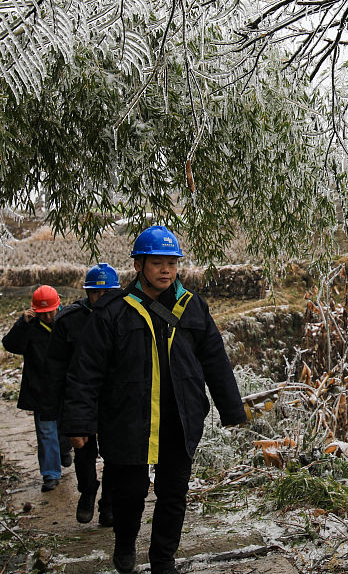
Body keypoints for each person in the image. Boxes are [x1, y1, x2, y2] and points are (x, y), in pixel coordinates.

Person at [62, 226, 246, 574]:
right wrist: (79, 422)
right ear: (138, 265)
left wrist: (231, 409)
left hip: (180, 418)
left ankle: (163, 560)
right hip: (128, 420)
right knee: (128, 493)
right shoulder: (114, 311)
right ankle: (125, 542)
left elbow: (215, 360)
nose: (166, 270)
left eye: (172, 263)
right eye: (158, 263)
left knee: (173, 494)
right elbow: (86, 371)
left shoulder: (193, 307)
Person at [44, 263, 121, 526]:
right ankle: (87, 491)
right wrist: (57, 410)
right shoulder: (68, 320)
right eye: (96, 293)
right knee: (84, 450)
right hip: (78, 397)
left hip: (113, 398)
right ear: (87, 293)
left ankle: (108, 504)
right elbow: (54, 368)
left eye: (108, 293)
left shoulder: (124, 317)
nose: (102, 299)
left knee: (115, 454)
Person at [2, 284, 64, 492]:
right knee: (46, 433)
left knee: (65, 431)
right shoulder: (29, 328)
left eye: (50, 312)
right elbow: (11, 345)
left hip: (66, 389)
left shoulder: (68, 323)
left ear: (59, 306)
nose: (47, 317)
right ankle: (51, 475)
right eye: (43, 313)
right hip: (41, 390)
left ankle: (64, 452)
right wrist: (22, 324)